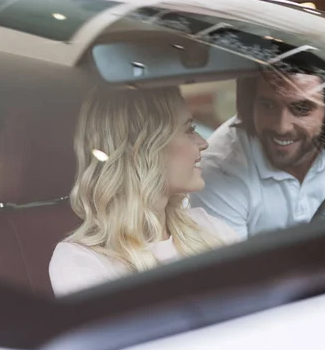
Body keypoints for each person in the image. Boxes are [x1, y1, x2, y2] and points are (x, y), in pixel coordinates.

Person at [49, 87, 240, 297]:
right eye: (188, 129)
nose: (203, 143)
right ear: (145, 148)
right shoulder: (80, 261)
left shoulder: (206, 225)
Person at [190, 70, 325, 239]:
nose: (282, 127)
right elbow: (233, 275)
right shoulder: (219, 169)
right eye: (267, 105)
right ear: (248, 105)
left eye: (302, 108)